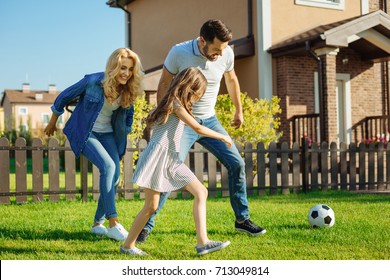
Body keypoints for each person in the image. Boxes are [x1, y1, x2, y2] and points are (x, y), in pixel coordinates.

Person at [136, 19, 266, 243]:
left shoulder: (226, 54)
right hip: (182, 121)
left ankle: (242, 220)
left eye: (223, 50)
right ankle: (146, 226)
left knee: (237, 163)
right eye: (215, 50)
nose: (219, 54)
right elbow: (164, 83)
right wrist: (164, 115)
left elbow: (232, 79)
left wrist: (239, 111)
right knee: (169, 168)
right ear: (202, 41)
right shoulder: (179, 52)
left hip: (210, 120)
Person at [121, 67, 231, 256]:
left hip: (172, 159)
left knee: (201, 192)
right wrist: (223, 137)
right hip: (158, 157)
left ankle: (202, 242)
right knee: (151, 206)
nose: (197, 98)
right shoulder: (175, 102)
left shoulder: (179, 104)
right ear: (189, 87)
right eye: (197, 93)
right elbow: (197, 128)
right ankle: (127, 246)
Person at [44, 48, 144, 241]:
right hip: (86, 132)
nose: (126, 73)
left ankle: (97, 224)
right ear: (114, 67)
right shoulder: (92, 81)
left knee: (115, 176)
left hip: (108, 134)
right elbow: (64, 96)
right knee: (108, 166)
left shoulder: (127, 89)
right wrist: (52, 122)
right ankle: (113, 223)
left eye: (130, 70)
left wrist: (127, 130)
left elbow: (129, 114)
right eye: (123, 68)